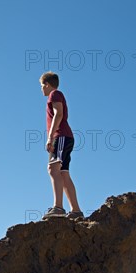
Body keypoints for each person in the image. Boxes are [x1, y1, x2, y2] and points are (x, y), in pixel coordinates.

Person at [39, 71, 83, 219]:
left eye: (42, 86)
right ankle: (76, 211)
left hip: (61, 136)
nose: (41, 89)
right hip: (66, 136)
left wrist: (50, 137)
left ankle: (58, 207)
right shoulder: (57, 95)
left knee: (53, 169)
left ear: (47, 84)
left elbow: (59, 114)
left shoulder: (55, 94)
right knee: (63, 173)